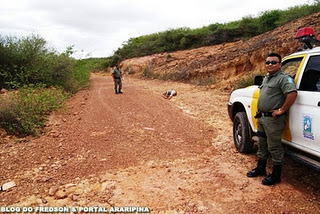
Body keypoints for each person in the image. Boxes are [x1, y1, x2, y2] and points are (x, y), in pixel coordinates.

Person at [247, 52, 297, 185]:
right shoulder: (267, 77)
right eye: (268, 62)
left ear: (280, 64)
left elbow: (292, 93)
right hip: (262, 118)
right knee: (262, 144)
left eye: (273, 62)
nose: (270, 64)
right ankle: (261, 168)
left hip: (273, 119)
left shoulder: (283, 78)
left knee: (274, 146)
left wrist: (281, 110)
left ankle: (276, 175)